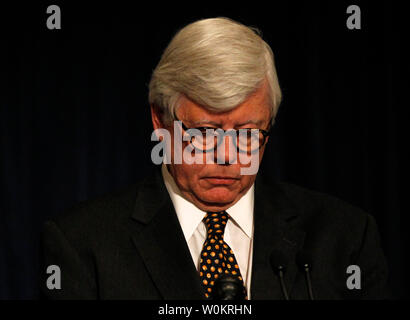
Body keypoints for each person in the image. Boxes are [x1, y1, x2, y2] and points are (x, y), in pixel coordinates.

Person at [40, 17, 390, 299]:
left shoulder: (344, 238)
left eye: (248, 134)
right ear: (160, 122)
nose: (227, 156)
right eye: (205, 133)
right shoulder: (83, 245)